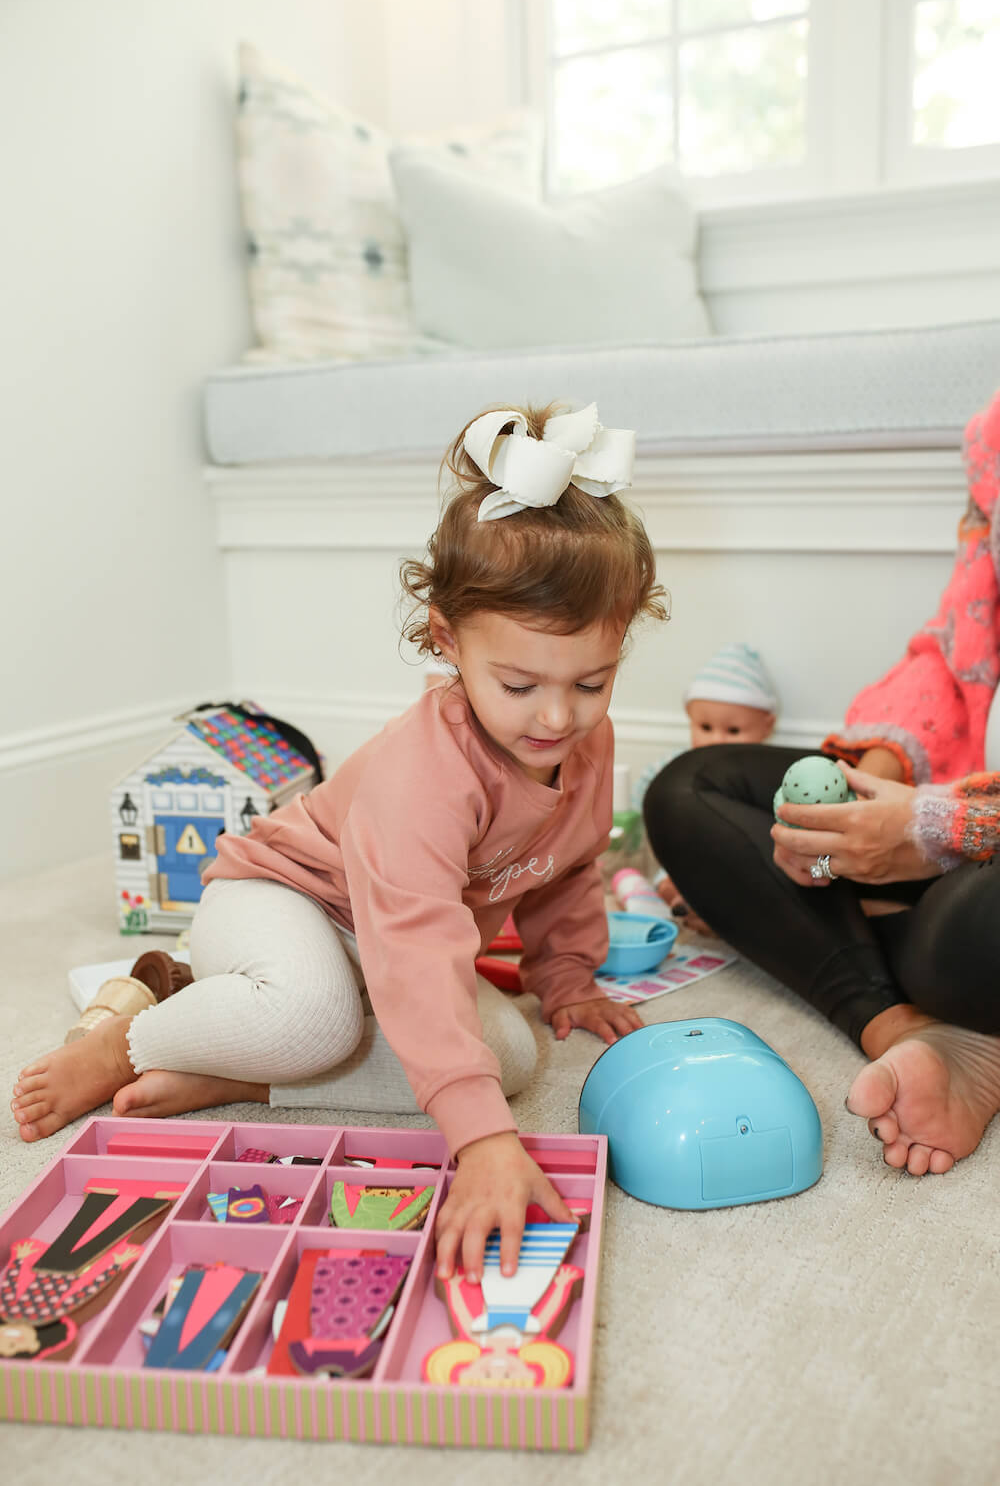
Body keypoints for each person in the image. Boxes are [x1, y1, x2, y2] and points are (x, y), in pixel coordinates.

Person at [11, 399, 667, 1283]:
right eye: (518, 685)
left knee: (508, 1058)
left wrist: (566, 977)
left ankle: (248, 1076)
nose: (557, 717)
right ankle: (132, 1038)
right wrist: (480, 1146)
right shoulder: (423, 775)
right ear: (448, 642)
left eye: (592, 682)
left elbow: (565, 867)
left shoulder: (581, 744)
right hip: (282, 896)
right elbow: (418, 941)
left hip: (383, 932)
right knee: (323, 1021)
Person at [643, 388, 1000, 1178]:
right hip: (963, 807)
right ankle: (904, 1023)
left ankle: (869, 945)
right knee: (691, 788)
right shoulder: (997, 446)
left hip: (978, 868)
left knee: (982, 929)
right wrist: (864, 800)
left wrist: (935, 836)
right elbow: (955, 651)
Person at [635, 642, 778, 925]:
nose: (716, 740)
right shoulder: (676, 769)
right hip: (682, 857)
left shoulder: (762, 777)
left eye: (733, 730)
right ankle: (680, 903)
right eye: (705, 728)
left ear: (767, 726)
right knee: (669, 880)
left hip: (737, 865)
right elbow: (649, 791)